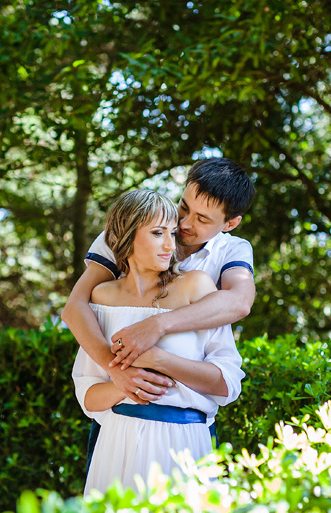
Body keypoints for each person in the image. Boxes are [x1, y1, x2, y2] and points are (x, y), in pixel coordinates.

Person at [61, 157, 256, 451]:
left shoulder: (232, 250)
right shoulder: (130, 230)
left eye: (202, 219)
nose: (184, 224)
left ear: (230, 223)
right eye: (184, 207)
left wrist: (157, 325)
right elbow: (76, 305)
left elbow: (239, 302)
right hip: (118, 420)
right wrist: (114, 369)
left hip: (187, 425)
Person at [71, 190, 244, 496]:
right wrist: (121, 384)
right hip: (116, 444)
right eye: (157, 233)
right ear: (126, 236)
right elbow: (87, 394)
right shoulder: (101, 298)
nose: (170, 244)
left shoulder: (197, 287)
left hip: (185, 446)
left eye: (172, 233)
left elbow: (227, 382)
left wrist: (155, 358)